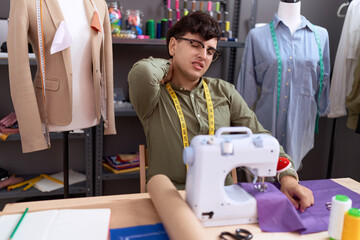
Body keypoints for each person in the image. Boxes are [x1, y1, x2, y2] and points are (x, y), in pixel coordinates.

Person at [128, 11, 313, 212]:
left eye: (210, 51)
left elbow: (261, 136)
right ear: (173, 45)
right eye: (195, 44)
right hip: (169, 199)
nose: (203, 55)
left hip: (221, 196)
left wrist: (288, 177)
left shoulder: (224, 91)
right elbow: (143, 72)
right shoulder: (153, 95)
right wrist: (169, 66)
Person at [7, 0, 116, 153]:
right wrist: (32, 134)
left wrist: (109, 118)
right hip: (50, 109)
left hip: (90, 107)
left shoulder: (98, 3)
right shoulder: (26, 2)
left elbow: (106, 61)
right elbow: (18, 70)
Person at [236, 0, 330, 171]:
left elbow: (324, 77)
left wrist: (323, 106)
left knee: (291, 181)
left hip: (300, 127)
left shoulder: (321, 36)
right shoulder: (257, 36)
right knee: (262, 184)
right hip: (265, 126)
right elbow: (246, 84)